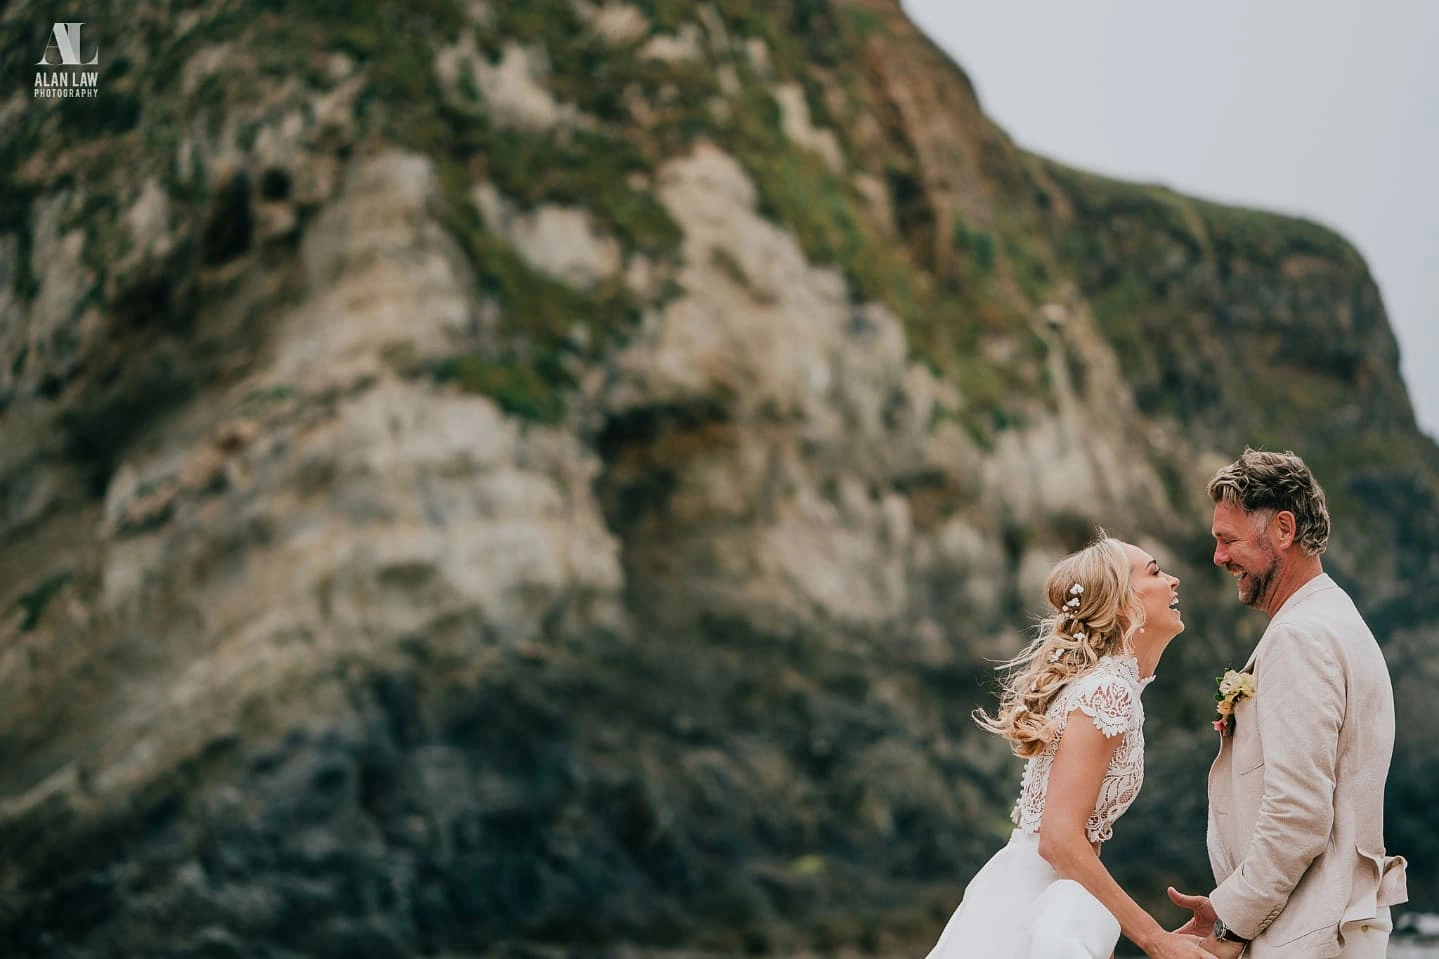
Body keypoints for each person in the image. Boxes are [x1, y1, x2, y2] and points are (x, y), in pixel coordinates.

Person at [1166, 449, 1408, 958]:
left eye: (1228, 540)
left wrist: (1231, 926)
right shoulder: (1336, 618)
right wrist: (1226, 904)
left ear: (1282, 528)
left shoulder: (1300, 637)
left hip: (1312, 936)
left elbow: (1296, 816)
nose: (1218, 557)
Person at [926, 535, 1211, 959]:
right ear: (1122, 604)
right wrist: (1154, 939)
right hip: (1033, 908)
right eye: (1154, 572)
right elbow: (1058, 839)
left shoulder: (1109, 686)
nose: (1173, 581)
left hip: (1040, 899)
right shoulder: (1107, 691)